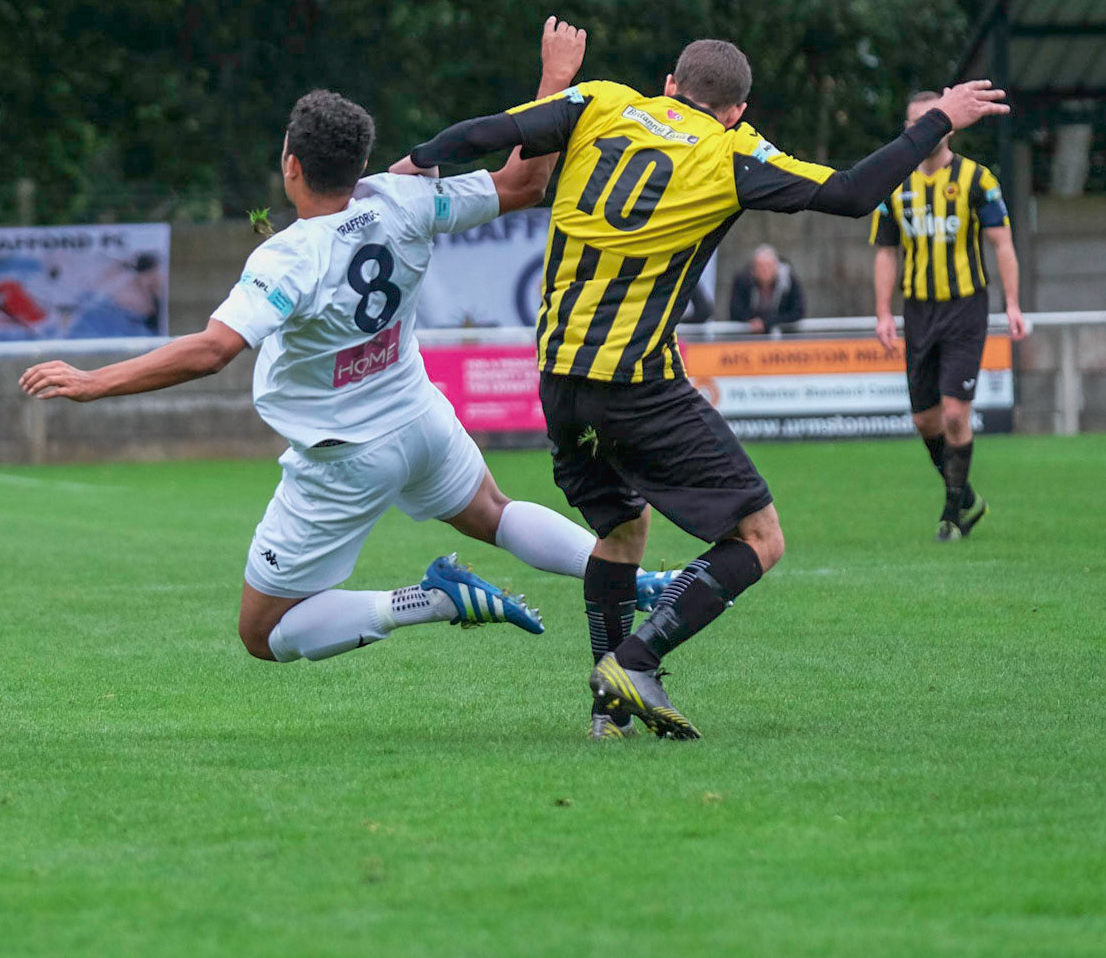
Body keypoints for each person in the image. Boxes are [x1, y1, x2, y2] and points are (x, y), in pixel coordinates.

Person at [21, 23, 675, 670]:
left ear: (292, 164)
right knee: (493, 512)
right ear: (360, 163)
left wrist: (92, 380)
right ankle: (632, 576)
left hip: (345, 455)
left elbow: (213, 350)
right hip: (419, 417)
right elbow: (522, 184)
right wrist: (555, 81)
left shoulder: (288, 255)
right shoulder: (404, 200)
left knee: (262, 630)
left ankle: (427, 599)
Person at [407, 39, 1008, 739]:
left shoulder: (603, 102)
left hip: (558, 380)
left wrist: (416, 160)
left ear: (668, 83)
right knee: (759, 535)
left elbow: (492, 131)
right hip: (636, 384)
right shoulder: (731, 151)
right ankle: (636, 660)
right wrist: (940, 120)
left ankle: (610, 708)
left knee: (621, 528)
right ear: (737, 110)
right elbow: (849, 192)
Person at [871, 91, 1027, 541]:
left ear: (949, 126)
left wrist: (1013, 304)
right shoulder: (895, 184)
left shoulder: (978, 179)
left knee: (956, 413)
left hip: (965, 307)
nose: (924, 129)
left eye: (933, 120)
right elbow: (885, 252)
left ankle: (952, 513)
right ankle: (967, 495)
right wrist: (882, 312)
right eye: (916, 122)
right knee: (925, 420)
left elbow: (1002, 244)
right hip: (918, 310)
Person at [728, 244, 805, 333]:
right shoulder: (742, 280)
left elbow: (798, 311)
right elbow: (735, 310)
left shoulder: (789, 281)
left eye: (768, 266)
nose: (764, 270)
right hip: (749, 336)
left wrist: (767, 323)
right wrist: (751, 321)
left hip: (784, 336)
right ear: (753, 268)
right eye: (760, 266)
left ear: (776, 266)